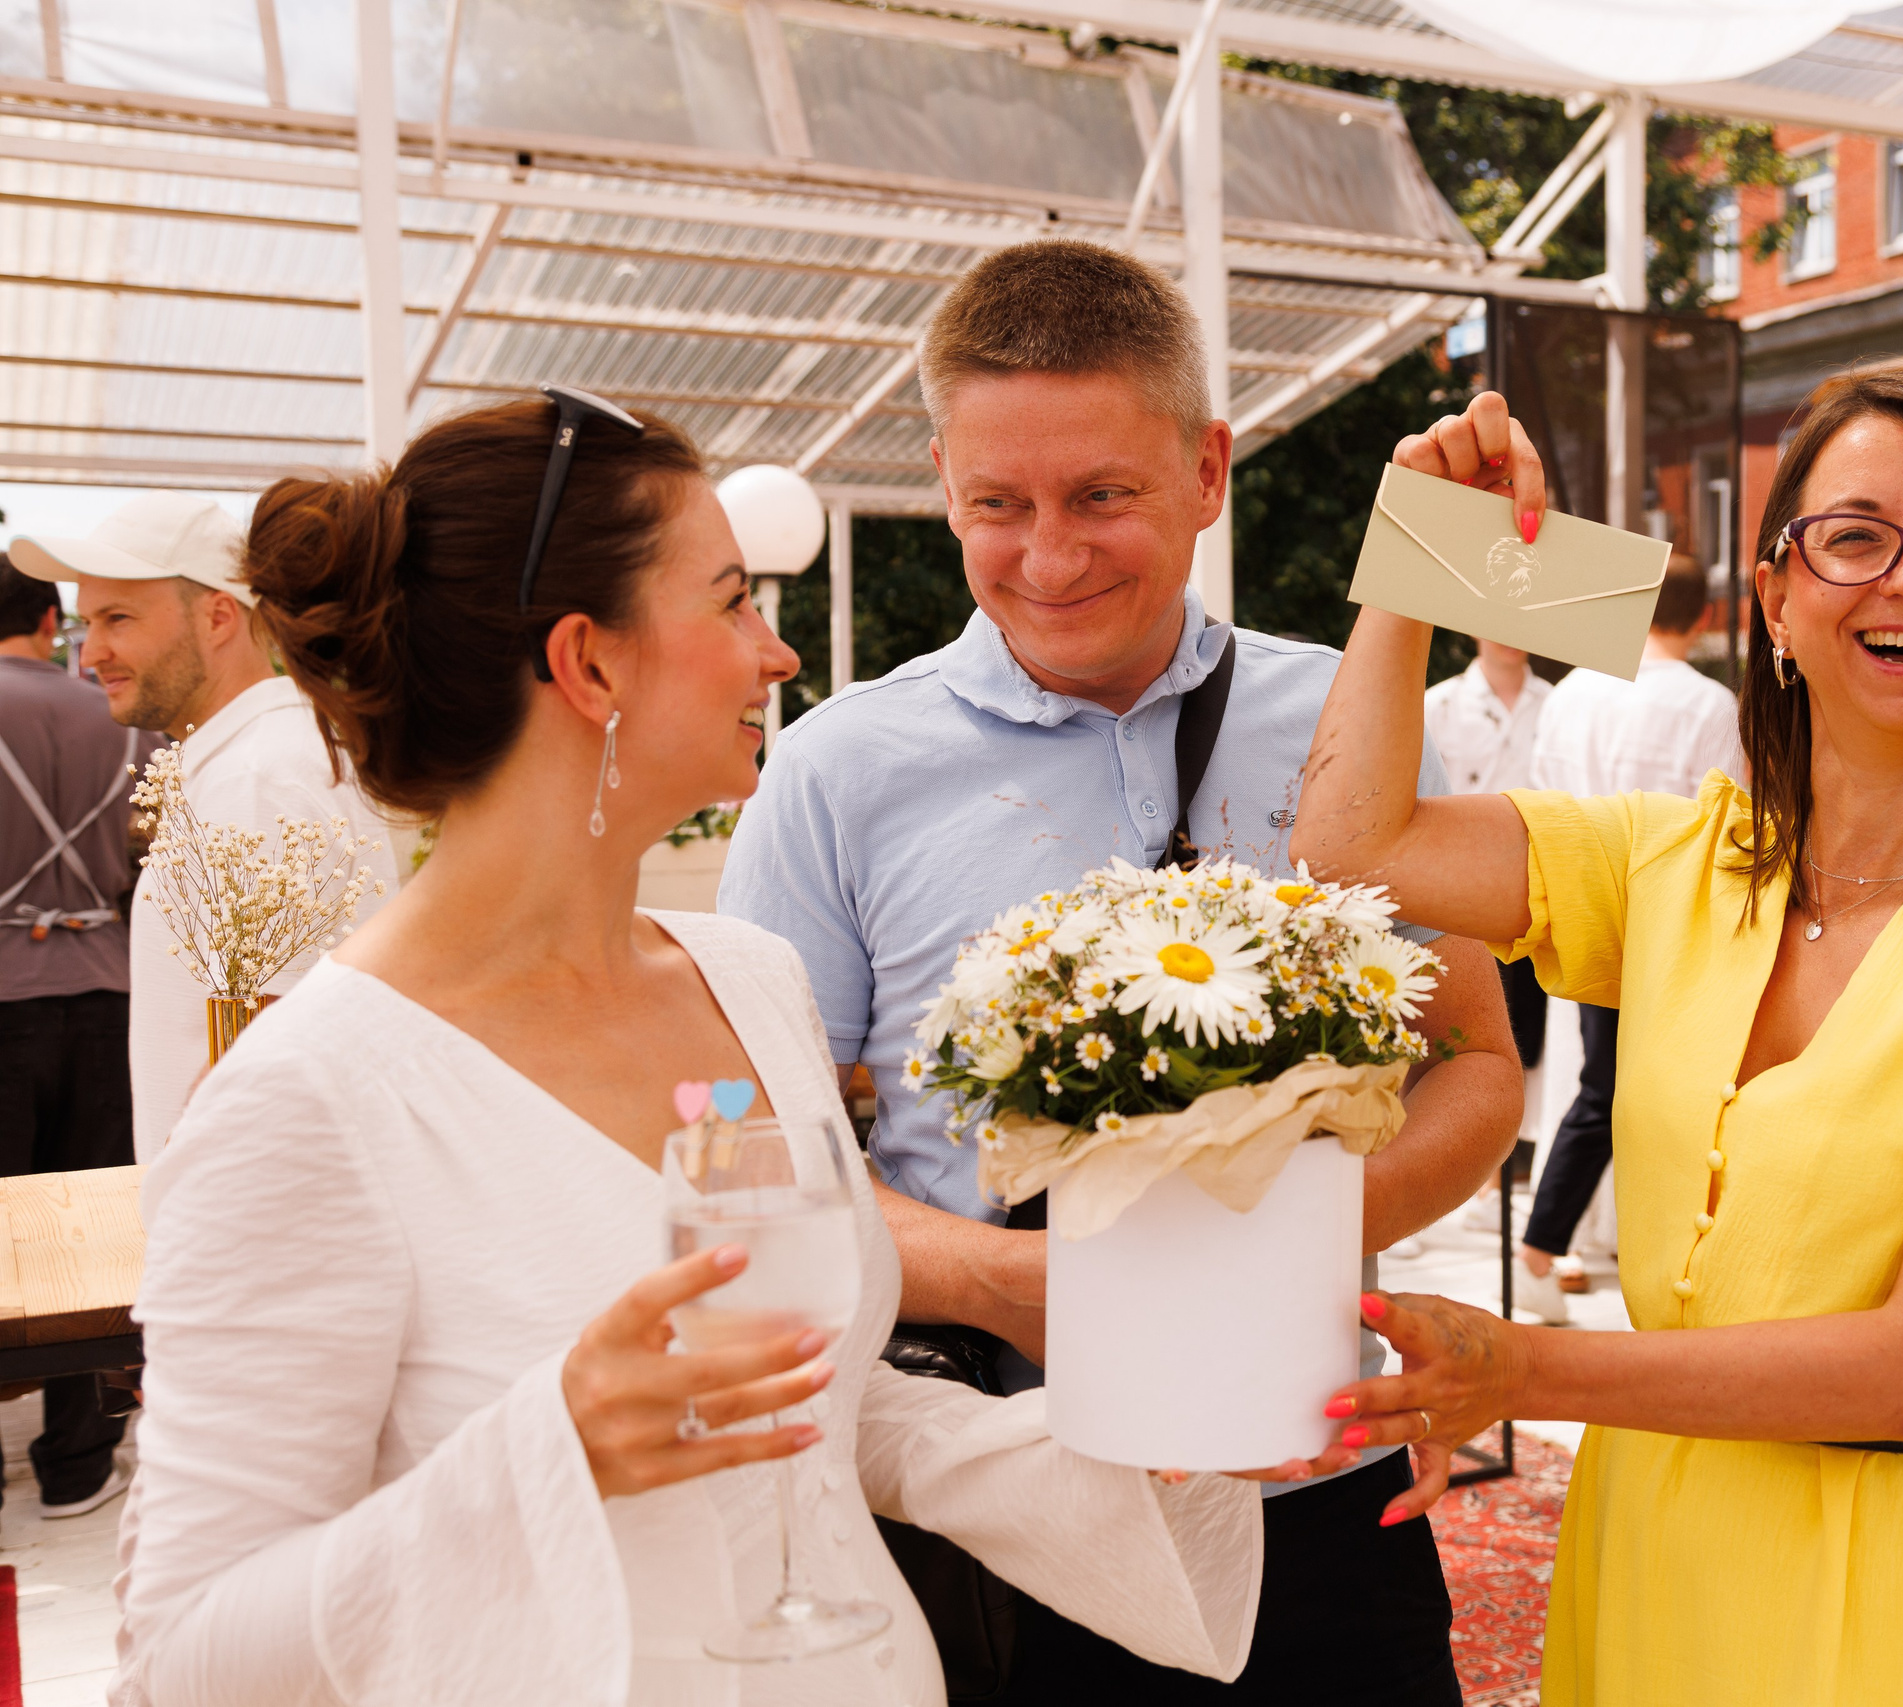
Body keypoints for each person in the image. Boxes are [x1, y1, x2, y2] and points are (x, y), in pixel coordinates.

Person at [116, 396, 1291, 1707]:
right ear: (592, 664)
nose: (776, 656)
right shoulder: (307, 1098)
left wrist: (1139, 1444)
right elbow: (180, 1656)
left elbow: (819, 1400)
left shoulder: (749, 981)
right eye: (733, 601)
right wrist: (547, 1451)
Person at [1292, 374, 1903, 1706]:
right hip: (1653, 1530)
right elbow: (1355, 846)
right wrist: (1422, 551)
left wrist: (1525, 1362)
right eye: (1855, 534)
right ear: (1775, 597)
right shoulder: (1686, 856)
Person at [720, 239, 1521, 1707]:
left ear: (1209, 468)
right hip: (1003, 1506)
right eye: (995, 505)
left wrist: (1292, 1244)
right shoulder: (835, 769)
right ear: (943, 485)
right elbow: (769, 1150)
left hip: (1320, 1488)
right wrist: (1033, 1285)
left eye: (1103, 495)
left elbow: (1476, 1057)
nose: (1050, 553)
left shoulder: (1350, 722)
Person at [8, 494, 397, 1162]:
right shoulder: (255, 762)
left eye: (118, 618)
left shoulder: (257, 782)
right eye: (87, 620)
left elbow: (275, 1074)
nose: (91, 651)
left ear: (219, 616)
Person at [1514, 554, 1743, 1322]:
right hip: (1672, 920)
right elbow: (1727, 826)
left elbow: (1537, 801)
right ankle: (1547, 1245)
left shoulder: (1573, 692)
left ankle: (1562, 1245)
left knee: (1603, 1085)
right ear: (1706, 616)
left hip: (1576, 907)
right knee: (1632, 1091)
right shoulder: (1711, 705)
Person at [0, 556, 161, 1519]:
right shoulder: (121, 717)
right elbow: (151, 846)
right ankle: (78, 1462)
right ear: (53, 616)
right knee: (92, 1230)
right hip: (108, 981)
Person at [1420, 639, 1550, 1242]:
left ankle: (1500, 1180)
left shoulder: (1555, 703)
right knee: (1451, 1037)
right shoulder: (1438, 705)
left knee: (1524, 1039)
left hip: (1536, 895)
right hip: (1451, 896)